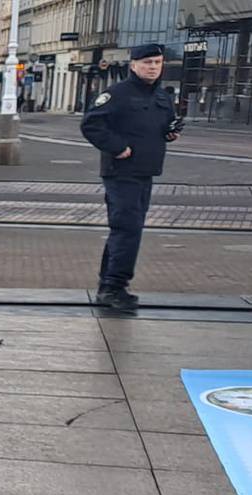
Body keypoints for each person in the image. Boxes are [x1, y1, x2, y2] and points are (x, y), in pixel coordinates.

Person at [80, 43, 180, 312]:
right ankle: (114, 287)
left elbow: (166, 124)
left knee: (126, 229)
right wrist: (118, 148)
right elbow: (91, 124)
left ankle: (110, 284)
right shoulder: (118, 94)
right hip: (121, 172)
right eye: (147, 63)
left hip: (146, 170)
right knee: (127, 229)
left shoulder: (161, 96)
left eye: (157, 63)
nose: (153, 68)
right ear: (133, 65)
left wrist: (170, 132)